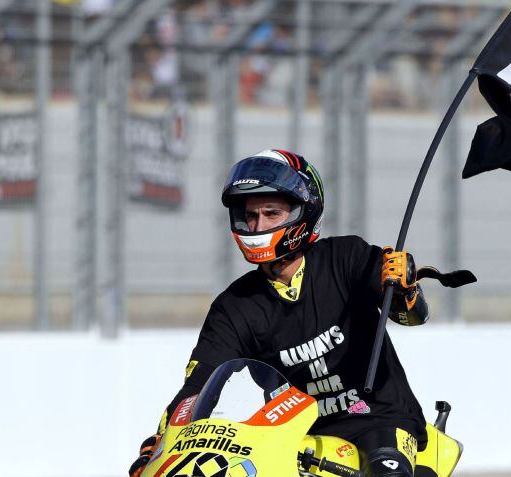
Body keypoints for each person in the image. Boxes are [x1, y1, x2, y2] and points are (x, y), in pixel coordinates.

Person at [130, 149, 430, 477]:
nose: (258, 225)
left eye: (271, 213)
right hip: (294, 435)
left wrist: (406, 289)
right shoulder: (233, 306)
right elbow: (197, 385)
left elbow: (410, 316)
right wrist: (160, 444)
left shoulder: (346, 257)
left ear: (304, 212)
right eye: (251, 215)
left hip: (379, 419)